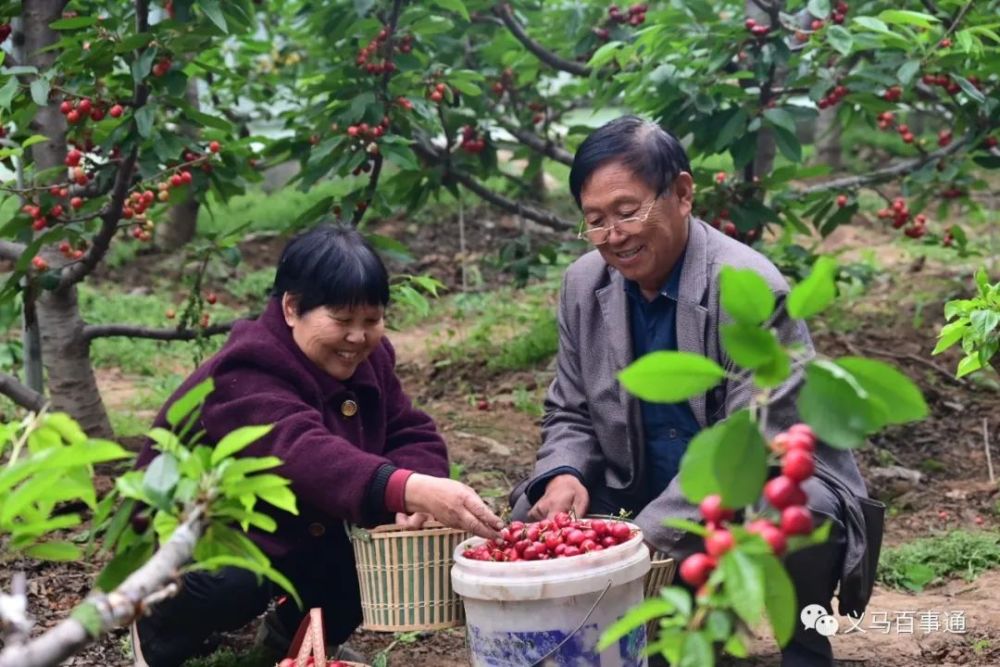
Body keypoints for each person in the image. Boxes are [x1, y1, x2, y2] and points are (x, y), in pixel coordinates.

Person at [510, 115, 881, 666]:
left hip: (742, 493)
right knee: (532, 509)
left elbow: (750, 440)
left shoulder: (747, 288)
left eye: (628, 211)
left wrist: (641, 539)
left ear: (682, 194)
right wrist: (563, 472)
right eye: (595, 220)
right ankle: (603, 638)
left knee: (799, 508)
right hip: (638, 492)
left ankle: (803, 643)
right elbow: (570, 410)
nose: (614, 236)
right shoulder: (583, 285)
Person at [131, 224, 503, 667]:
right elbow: (300, 451)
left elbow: (407, 429)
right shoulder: (248, 366)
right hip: (198, 527)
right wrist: (406, 487)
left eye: (371, 320)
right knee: (229, 580)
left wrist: (414, 489)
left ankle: (290, 645)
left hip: (293, 524)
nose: (358, 337)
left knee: (366, 560)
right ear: (291, 308)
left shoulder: (369, 357)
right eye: (342, 321)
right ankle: (158, 628)